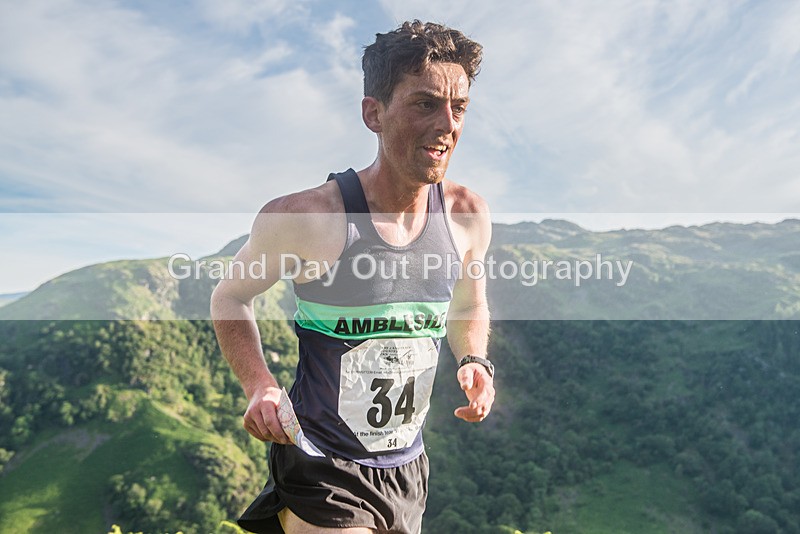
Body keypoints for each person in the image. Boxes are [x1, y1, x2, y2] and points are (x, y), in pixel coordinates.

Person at [211, 20, 495, 534]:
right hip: (323, 463)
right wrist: (259, 386)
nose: (447, 124)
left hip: (406, 467)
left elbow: (468, 304)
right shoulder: (306, 218)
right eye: (425, 103)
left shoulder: (467, 214)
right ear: (374, 113)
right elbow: (231, 295)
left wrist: (474, 358)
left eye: (460, 108)